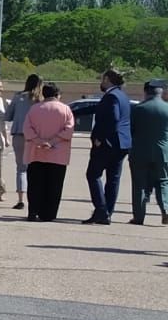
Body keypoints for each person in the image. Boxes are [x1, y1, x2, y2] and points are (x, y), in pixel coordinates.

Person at [84, 69, 132, 225]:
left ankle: (101, 209)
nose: (101, 82)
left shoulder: (111, 97)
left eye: (103, 79)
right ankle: (107, 213)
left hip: (108, 143)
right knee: (113, 179)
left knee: (93, 174)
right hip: (123, 144)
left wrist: (100, 138)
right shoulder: (123, 96)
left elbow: (114, 118)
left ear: (108, 80)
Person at [23, 83, 75, 222]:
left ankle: (33, 211)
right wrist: (52, 141)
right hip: (58, 155)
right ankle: (49, 214)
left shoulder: (34, 109)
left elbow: (27, 129)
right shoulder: (65, 109)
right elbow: (69, 130)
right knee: (54, 186)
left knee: (35, 185)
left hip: (36, 153)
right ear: (57, 94)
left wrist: (39, 141)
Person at [127, 78, 168, 225]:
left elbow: (131, 130)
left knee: (139, 185)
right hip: (162, 152)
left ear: (146, 92)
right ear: (161, 92)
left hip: (140, 152)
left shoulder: (139, 109)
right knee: (163, 182)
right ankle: (166, 209)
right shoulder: (166, 108)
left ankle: (139, 216)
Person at [6, 73, 42, 211]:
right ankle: (35, 198)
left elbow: (8, 116)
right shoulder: (40, 100)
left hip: (19, 135)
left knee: (21, 168)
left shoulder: (18, 97)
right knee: (35, 168)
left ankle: (21, 199)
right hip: (36, 137)